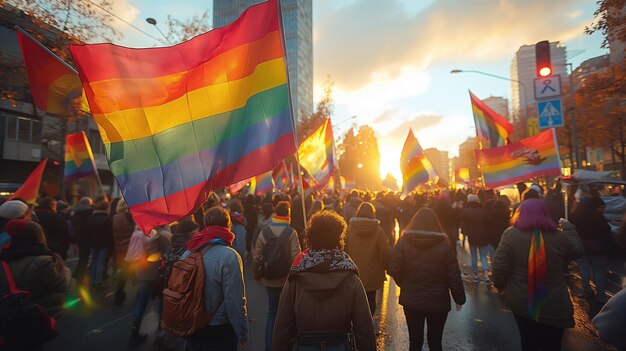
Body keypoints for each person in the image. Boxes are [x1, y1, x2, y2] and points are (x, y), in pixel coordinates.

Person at [272, 210, 376, 351]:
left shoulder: (296, 275)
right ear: (339, 238)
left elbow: (283, 326)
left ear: (311, 236)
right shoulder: (350, 277)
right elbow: (364, 328)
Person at [492, 199, 584, 351]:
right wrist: (568, 227)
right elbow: (577, 250)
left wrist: (500, 285)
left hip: (522, 300)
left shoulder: (510, 235)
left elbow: (500, 267)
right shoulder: (559, 237)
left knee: (528, 341)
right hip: (554, 301)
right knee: (552, 345)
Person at [388, 208, 466, 351]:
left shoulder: (404, 241)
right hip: (438, 301)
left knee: (415, 342)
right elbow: (453, 274)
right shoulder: (444, 244)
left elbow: (394, 268)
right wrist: (459, 298)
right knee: (435, 342)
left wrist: (405, 283)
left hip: (412, 299)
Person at [184, 206, 248, 351]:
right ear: (228, 225)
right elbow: (235, 301)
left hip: (193, 324)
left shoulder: (189, 250)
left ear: (206, 223)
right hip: (219, 328)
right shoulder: (230, 256)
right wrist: (242, 332)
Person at [0, 219, 70, 350]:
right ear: (38, 236)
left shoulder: (4, 258)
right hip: (35, 315)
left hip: (8, 316)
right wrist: (63, 268)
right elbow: (62, 285)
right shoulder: (44, 261)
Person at [253, 201, 301, 351]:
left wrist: (257, 275)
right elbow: (295, 256)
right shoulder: (291, 232)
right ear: (288, 215)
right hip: (286, 278)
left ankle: (269, 346)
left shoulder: (265, 231)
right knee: (288, 313)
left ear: (275, 213)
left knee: (272, 312)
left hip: (269, 277)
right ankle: (286, 345)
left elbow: (257, 256)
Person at [345, 202, 390, 316]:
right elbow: (385, 251)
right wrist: (386, 267)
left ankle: (355, 327)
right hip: (372, 273)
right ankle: (368, 325)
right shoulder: (378, 230)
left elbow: (344, 249)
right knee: (370, 299)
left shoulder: (349, 229)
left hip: (353, 272)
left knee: (354, 301)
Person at [128, 224, 171, 346]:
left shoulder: (138, 230)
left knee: (141, 302)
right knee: (161, 302)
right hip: (157, 271)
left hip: (141, 269)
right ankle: (160, 335)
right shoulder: (162, 233)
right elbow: (168, 251)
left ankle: (134, 334)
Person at [569, 196, 612, 303]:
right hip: (597, 248)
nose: (603, 209)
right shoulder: (599, 217)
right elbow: (607, 231)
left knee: (584, 269)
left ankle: (587, 290)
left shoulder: (577, 215)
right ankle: (601, 295)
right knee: (598, 270)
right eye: (601, 207)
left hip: (582, 247)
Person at [461, 194, 490, 282]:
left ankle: (475, 274)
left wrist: (464, 235)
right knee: (483, 256)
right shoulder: (483, 210)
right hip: (484, 236)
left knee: (473, 256)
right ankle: (485, 274)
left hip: (472, 236)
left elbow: (463, 224)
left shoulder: (465, 211)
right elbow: (488, 222)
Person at [85, 199, 113, 291]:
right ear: (106, 208)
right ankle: (98, 282)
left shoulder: (91, 217)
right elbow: (110, 232)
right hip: (104, 243)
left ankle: (93, 281)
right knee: (101, 263)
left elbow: (87, 230)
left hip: (92, 243)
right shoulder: (108, 218)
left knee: (94, 262)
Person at [112, 198, 134, 305]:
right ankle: (119, 295)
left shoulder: (114, 217)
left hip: (118, 248)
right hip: (129, 249)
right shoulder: (130, 216)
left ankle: (119, 294)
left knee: (123, 271)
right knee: (125, 272)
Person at [71, 197, 93, 285]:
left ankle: (77, 274)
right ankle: (80, 279)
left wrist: (74, 242)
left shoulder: (76, 212)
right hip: (87, 239)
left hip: (79, 239)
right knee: (84, 259)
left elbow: (74, 228)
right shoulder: (89, 213)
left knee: (82, 258)